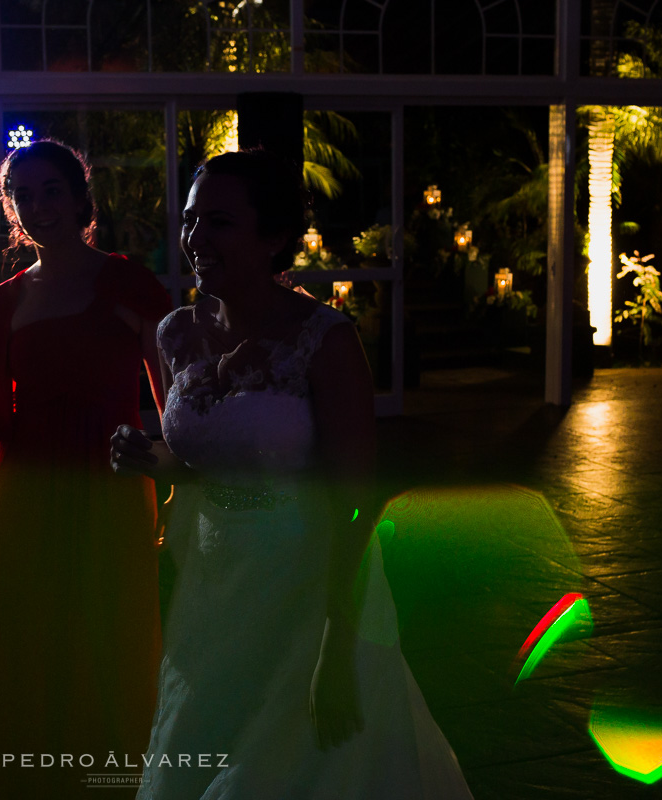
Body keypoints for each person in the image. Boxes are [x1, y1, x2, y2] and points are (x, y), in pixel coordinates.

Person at [112, 150, 473, 799]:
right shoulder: (176, 335)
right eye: (192, 220)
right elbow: (197, 460)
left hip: (311, 585)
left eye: (219, 222)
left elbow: (357, 502)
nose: (196, 239)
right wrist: (151, 456)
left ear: (275, 237)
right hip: (214, 588)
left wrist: (337, 646)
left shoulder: (323, 339)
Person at [0, 140, 170, 797]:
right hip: (24, 485)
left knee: (106, 631)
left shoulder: (127, 281)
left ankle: (108, 779)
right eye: (23, 195)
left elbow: (172, 393)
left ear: (80, 198)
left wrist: (178, 468)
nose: (38, 206)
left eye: (51, 191)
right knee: (25, 638)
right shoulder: (4, 299)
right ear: (10, 208)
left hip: (109, 478)